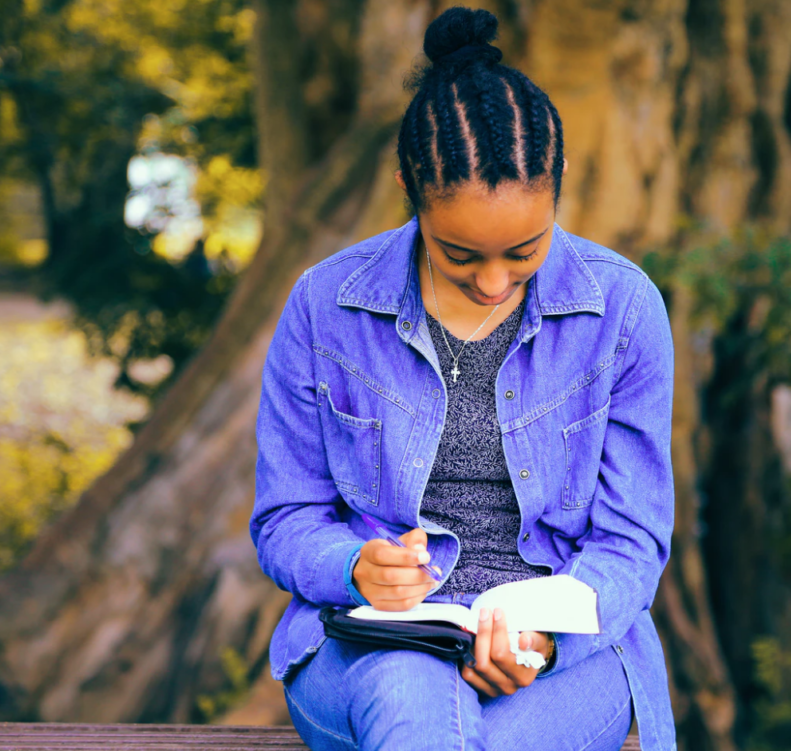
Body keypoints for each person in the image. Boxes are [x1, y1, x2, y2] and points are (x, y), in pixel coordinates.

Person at [250, 6, 676, 750]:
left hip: (566, 655)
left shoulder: (624, 309)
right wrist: (354, 565)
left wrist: (543, 636)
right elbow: (284, 518)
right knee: (410, 687)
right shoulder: (326, 306)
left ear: (559, 181)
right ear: (408, 185)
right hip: (365, 654)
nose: (492, 281)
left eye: (524, 249)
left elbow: (633, 538)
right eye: (459, 254)